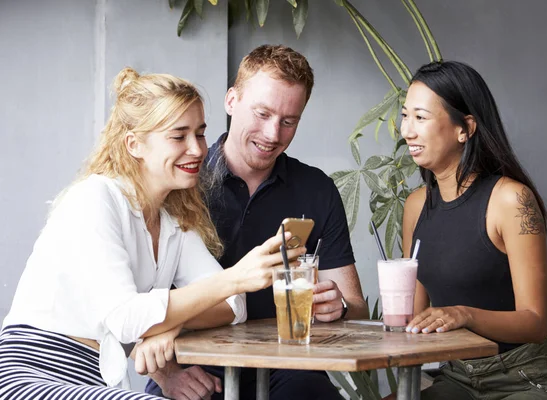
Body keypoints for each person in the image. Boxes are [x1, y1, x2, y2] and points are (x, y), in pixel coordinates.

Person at [0, 67, 305, 400]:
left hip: (92, 379)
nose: (197, 149)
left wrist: (168, 327)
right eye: (179, 136)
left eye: (200, 134)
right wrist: (235, 277)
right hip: (29, 374)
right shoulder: (96, 198)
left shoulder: (173, 221)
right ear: (135, 144)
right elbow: (125, 320)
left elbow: (234, 306)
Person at [145, 44, 369, 400]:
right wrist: (167, 375)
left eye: (288, 121)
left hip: (291, 369)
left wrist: (338, 307)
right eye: (262, 113)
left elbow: (355, 306)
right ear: (231, 100)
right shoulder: (182, 180)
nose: (273, 134)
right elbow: (134, 305)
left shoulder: (317, 189)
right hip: (195, 368)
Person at [396, 60, 547, 399]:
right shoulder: (416, 206)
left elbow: (535, 322)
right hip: (457, 376)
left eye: (420, 117)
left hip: (522, 376)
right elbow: (416, 319)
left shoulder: (510, 200)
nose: (407, 130)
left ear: (465, 128)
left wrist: (463, 315)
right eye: (405, 116)